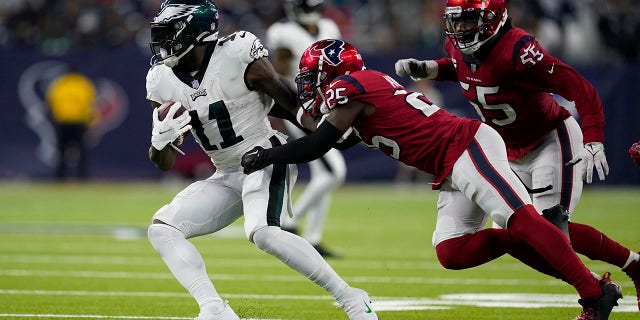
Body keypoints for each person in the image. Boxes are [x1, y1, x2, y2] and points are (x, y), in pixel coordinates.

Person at [240, 39, 623, 319]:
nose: (309, 85)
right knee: (452, 251)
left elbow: (319, 144)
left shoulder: (349, 86)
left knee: (521, 219)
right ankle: (546, 247)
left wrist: (266, 155)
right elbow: (336, 140)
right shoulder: (360, 90)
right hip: (450, 164)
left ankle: (594, 293)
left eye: (312, 77)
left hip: (465, 146)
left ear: (330, 73)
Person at [394, 0, 640, 314]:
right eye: (456, 22)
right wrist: (431, 68)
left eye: (469, 21)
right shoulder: (459, 46)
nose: (460, 30)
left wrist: (594, 138)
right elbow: (463, 68)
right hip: (499, 148)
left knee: (550, 227)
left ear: (493, 20)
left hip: (548, 139)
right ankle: (609, 280)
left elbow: (580, 87)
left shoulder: (519, 50)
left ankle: (624, 270)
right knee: (493, 238)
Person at [144, 2, 378, 320]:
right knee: (162, 230)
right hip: (225, 171)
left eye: (170, 32)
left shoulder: (237, 52)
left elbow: (290, 103)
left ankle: (351, 297)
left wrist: (329, 130)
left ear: (195, 33)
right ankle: (214, 309)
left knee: (263, 232)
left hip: (264, 155)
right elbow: (164, 161)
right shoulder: (161, 79)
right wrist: (160, 140)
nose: (162, 41)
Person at [265, 0, 346, 257]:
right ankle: (288, 222)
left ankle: (313, 236)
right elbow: (279, 72)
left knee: (324, 173)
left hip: (329, 104)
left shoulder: (330, 27)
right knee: (334, 171)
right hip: (301, 107)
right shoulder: (281, 32)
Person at [46, 66, 97, 180]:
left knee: (61, 151)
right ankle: (82, 177)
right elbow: (90, 105)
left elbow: (52, 103)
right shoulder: (83, 84)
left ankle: (60, 177)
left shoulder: (59, 85)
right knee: (82, 151)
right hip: (79, 123)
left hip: (63, 123)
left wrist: (55, 118)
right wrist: (90, 123)